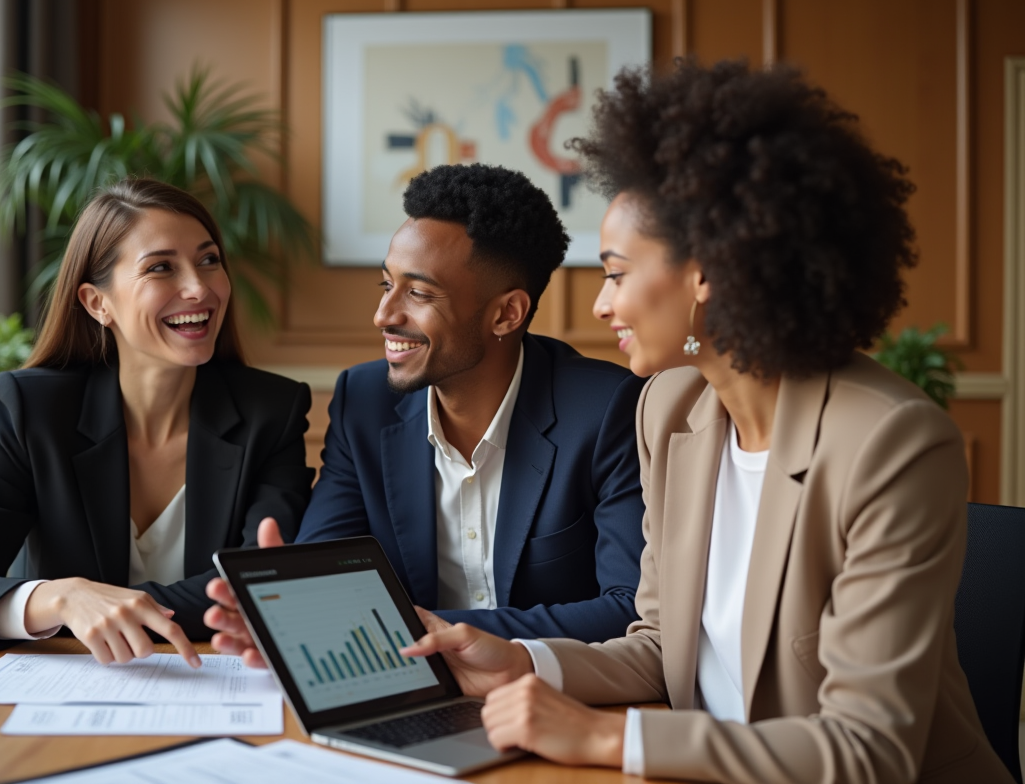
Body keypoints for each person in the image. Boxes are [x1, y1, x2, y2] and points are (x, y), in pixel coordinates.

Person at [386, 61, 1012, 783]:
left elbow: (867, 750)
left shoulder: (889, 442)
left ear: (707, 272)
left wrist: (606, 740)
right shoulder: (671, 409)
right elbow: (660, 646)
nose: (601, 306)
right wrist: (523, 660)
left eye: (617, 273)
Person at [207, 163, 647, 650]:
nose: (384, 315)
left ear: (506, 313)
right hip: (407, 685)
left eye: (418, 293)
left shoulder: (606, 410)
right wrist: (293, 609)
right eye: (386, 285)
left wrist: (424, 631)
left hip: (553, 695)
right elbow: (325, 583)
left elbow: (628, 608)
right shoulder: (363, 403)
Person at [0, 179, 314, 668]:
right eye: (161, 267)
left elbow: (258, 586)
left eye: (208, 260)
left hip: (210, 678)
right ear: (98, 303)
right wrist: (62, 599)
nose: (199, 287)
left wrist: (121, 607)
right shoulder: (34, 409)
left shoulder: (271, 411)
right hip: (68, 689)